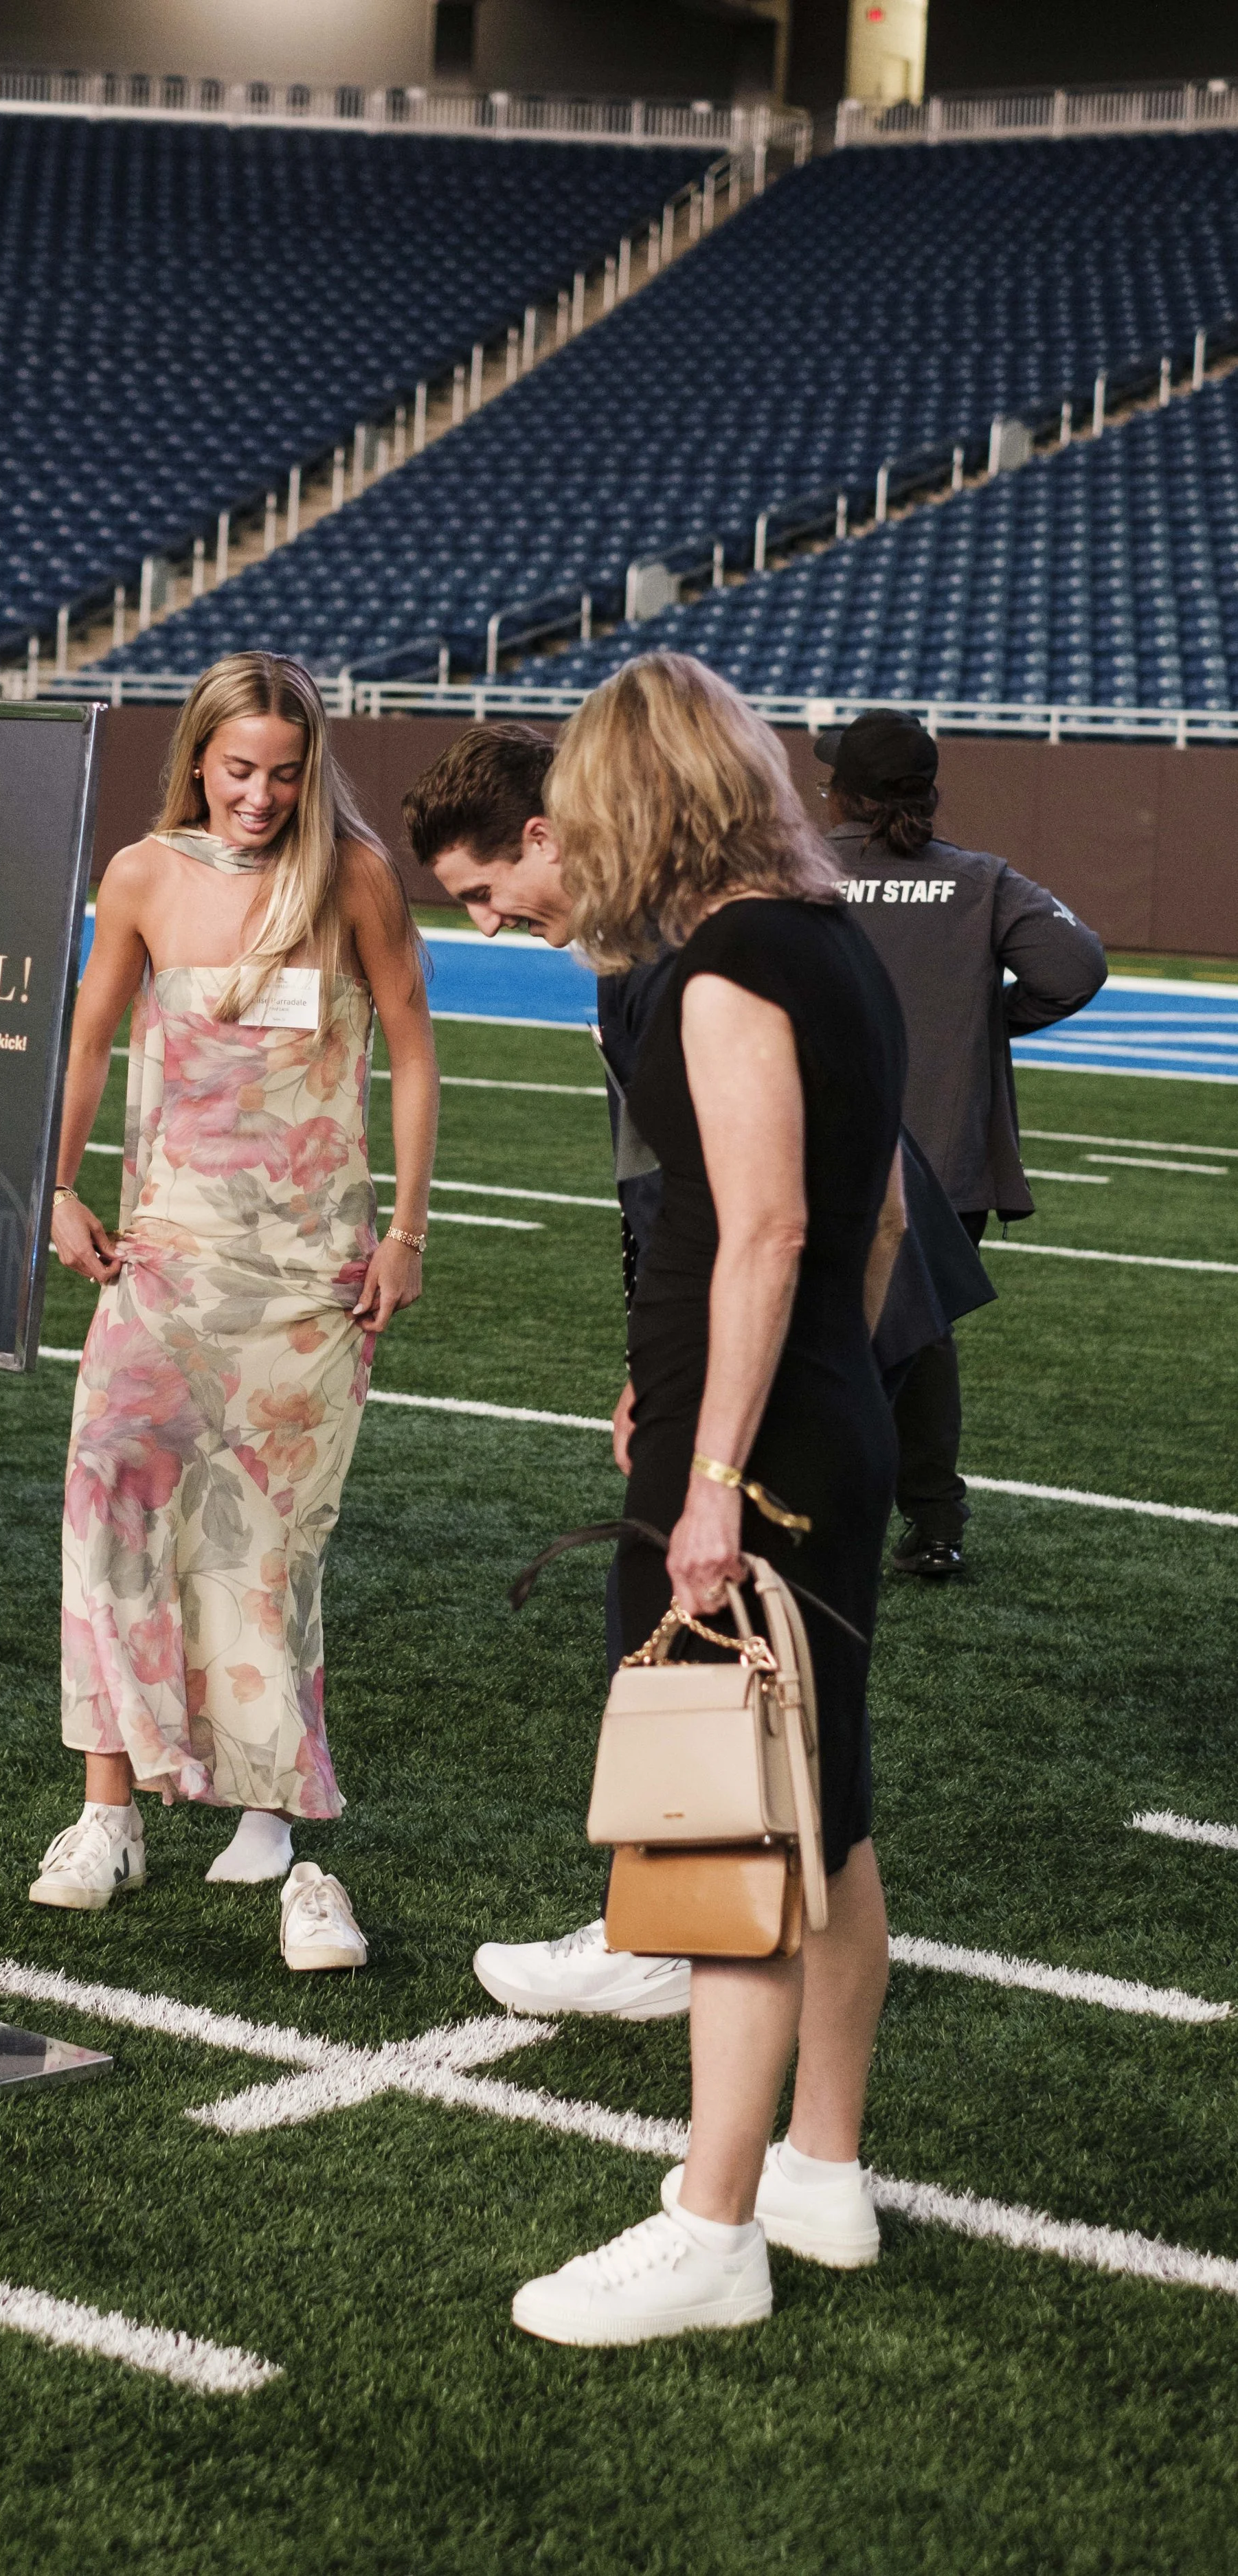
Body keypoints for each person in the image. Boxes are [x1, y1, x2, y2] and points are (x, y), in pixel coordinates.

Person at [434, 653, 908, 2342]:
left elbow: (768, 1227)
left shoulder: (723, 964)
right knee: (825, 1806)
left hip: (761, 1449)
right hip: (825, 1416)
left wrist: (713, 1466)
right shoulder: (838, 946)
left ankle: (712, 2222)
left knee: (731, 1828)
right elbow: (873, 1231)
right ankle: (821, 2168)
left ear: (634, 794)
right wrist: (793, 1402)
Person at [409, 719, 987, 2038]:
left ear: (558, 829)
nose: (491, 926)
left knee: (707, 1686)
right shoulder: (801, 927)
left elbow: (732, 1214)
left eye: (487, 893)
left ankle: (670, 1939)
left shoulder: (696, 956)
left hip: (770, 1355)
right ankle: (782, 2108)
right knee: (818, 1759)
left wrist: (707, 1430)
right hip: (811, 1343)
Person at [36, 652, 440, 1970]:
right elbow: (91, 1037)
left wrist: (408, 1232)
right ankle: (110, 1813)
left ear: (311, 766)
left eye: (282, 771)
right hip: (163, 1258)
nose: (260, 795)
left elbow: (416, 1048)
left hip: (312, 1282)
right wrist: (53, 1187)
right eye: (236, 769)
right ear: (198, 761)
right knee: (112, 1501)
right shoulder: (144, 876)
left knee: (269, 1544)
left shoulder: (358, 878)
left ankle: (274, 1819)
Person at [818, 708, 1107, 1577]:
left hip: (818, 1151)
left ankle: (814, 1513)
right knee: (920, 1339)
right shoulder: (980, 880)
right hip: (944, 1160)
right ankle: (935, 1524)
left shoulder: (795, 875)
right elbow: (1076, 966)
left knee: (811, 1338)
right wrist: (989, 1022)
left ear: (837, 792)